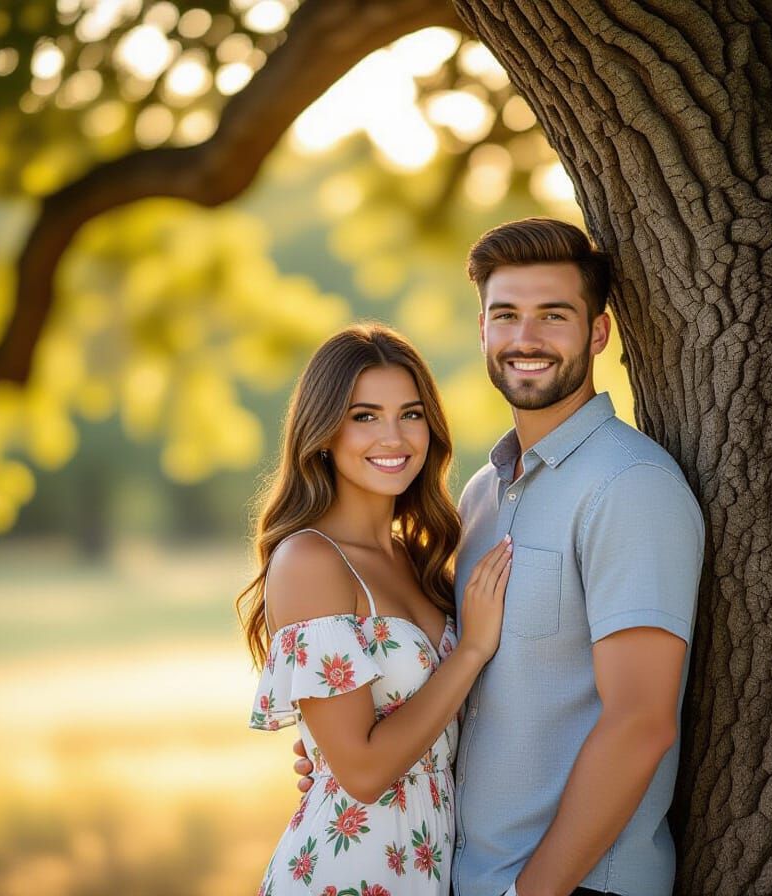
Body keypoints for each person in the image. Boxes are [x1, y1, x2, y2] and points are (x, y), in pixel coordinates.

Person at [297, 218, 705, 896]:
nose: (526, 339)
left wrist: (531, 892)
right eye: (506, 315)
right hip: (465, 874)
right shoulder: (486, 496)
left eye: (553, 315)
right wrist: (339, 746)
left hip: (575, 885)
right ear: (483, 331)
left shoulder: (629, 486)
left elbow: (641, 722)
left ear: (598, 333)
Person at [237, 324, 513, 895]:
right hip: (350, 873)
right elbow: (362, 773)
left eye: (410, 414)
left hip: (427, 865)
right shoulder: (311, 560)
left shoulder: (420, 559)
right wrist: (472, 650)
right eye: (365, 416)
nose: (394, 437)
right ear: (323, 434)